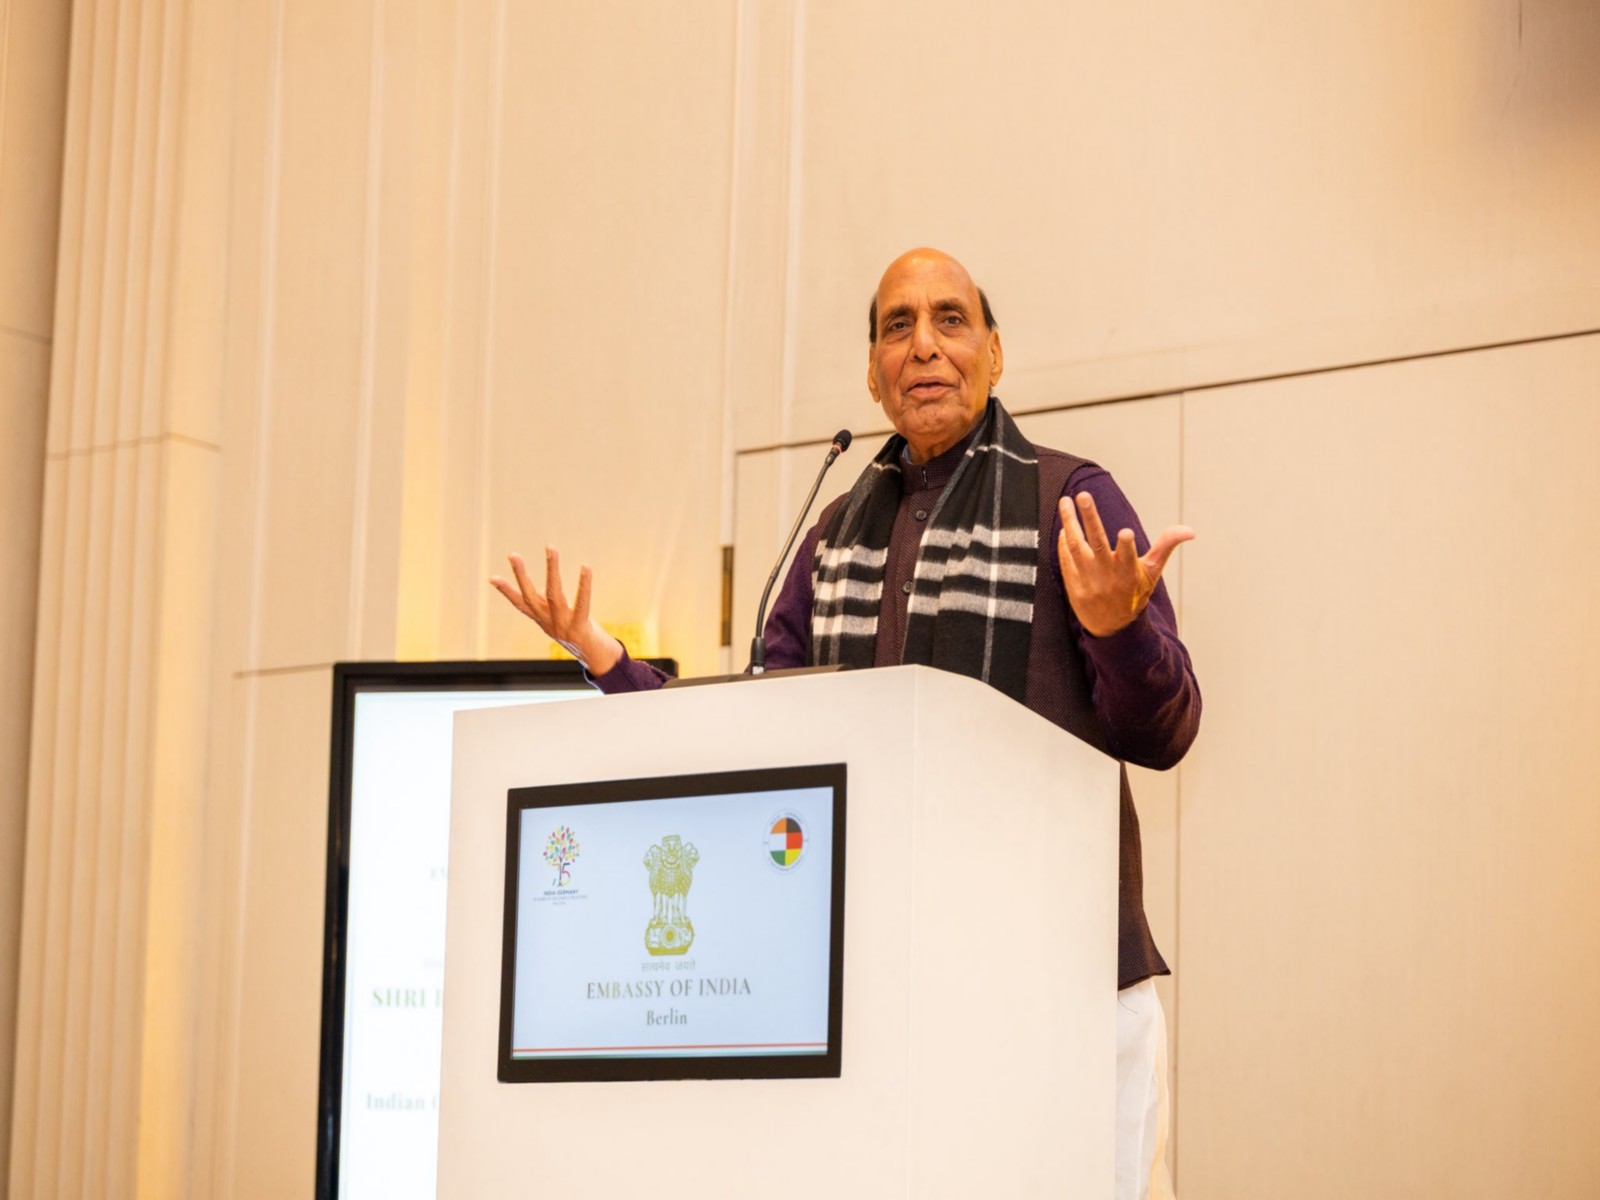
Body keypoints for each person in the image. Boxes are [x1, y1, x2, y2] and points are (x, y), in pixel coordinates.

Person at [491, 248, 1199, 1200]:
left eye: (951, 320)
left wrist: (1116, 630)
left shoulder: (1067, 501)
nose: (924, 347)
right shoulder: (833, 539)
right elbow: (755, 743)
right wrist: (610, 662)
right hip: (887, 996)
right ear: (872, 372)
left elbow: (1165, 731)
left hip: (1063, 982)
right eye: (897, 326)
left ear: (995, 354)